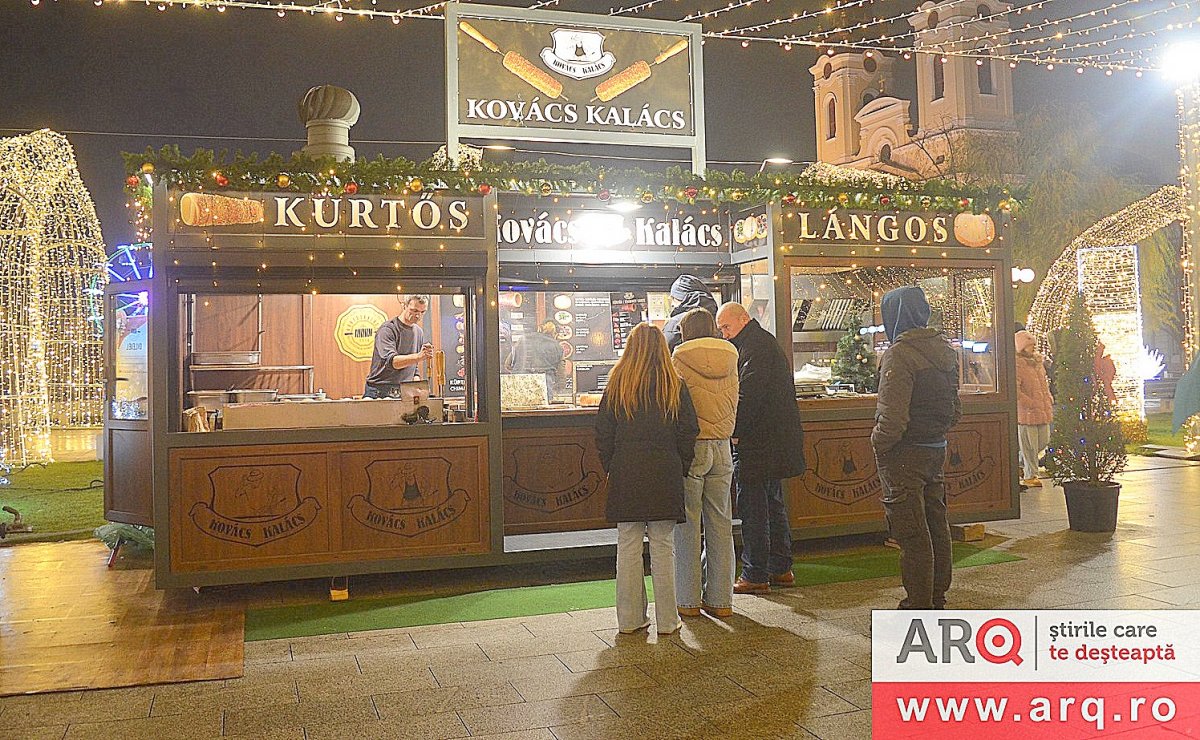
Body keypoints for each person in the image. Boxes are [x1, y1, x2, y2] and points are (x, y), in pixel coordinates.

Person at [595, 323, 699, 635]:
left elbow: (603, 433)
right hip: (665, 470)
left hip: (626, 471)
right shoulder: (674, 384)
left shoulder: (617, 383)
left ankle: (629, 620)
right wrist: (680, 465)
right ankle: (668, 621)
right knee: (663, 547)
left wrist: (612, 465)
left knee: (628, 546)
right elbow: (689, 430)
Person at [872, 286, 962, 610]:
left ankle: (918, 603)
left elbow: (893, 416)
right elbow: (955, 408)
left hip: (904, 452)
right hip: (935, 446)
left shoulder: (899, 354)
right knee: (936, 523)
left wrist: (879, 442)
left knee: (911, 532)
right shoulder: (944, 350)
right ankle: (937, 595)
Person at [715, 302, 805, 595]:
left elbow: (748, 396)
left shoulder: (753, 348)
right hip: (774, 440)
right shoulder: (762, 342)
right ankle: (780, 568)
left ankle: (755, 573)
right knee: (773, 505)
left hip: (758, 442)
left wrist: (735, 432)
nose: (724, 334)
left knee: (753, 508)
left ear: (743, 319)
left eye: (726, 327)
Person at [671, 308, 739, 619]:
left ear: (684, 332)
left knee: (688, 524)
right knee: (721, 523)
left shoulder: (679, 358)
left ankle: (688, 601)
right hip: (723, 446)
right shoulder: (731, 355)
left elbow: (674, 403)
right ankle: (721, 600)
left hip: (692, 447)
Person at [364, 295, 433, 398]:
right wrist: (419, 356)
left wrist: (417, 386)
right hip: (380, 390)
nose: (418, 315)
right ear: (404, 306)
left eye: (422, 312)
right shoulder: (387, 330)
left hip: (403, 390)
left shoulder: (419, 332)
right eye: (414, 310)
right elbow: (393, 362)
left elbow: (413, 365)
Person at [1015, 330, 1053, 488]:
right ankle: (1030, 475)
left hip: (1042, 409)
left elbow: (1044, 384)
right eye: (1030, 345)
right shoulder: (1017, 365)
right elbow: (1015, 390)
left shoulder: (1038, 363)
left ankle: (1018, 462)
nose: (1033, 347)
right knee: (1030, 445)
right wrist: (1028, 402)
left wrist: (1048, 398)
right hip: (1027, 412)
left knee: (1043, 441)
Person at [507, 320, 566, 395]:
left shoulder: (523, 340)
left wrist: (521, 371)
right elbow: (561, 374)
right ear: (555, 334)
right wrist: (557, 389)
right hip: (544, 387)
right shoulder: (558, 347)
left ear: (539, 328)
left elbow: (507, 364)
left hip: (520, 384)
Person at [663, 275, 718, 352]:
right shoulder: (718, 320)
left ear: (681, 298)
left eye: (673, 298)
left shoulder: (675, 323)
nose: (672, 304)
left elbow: (665, 352)